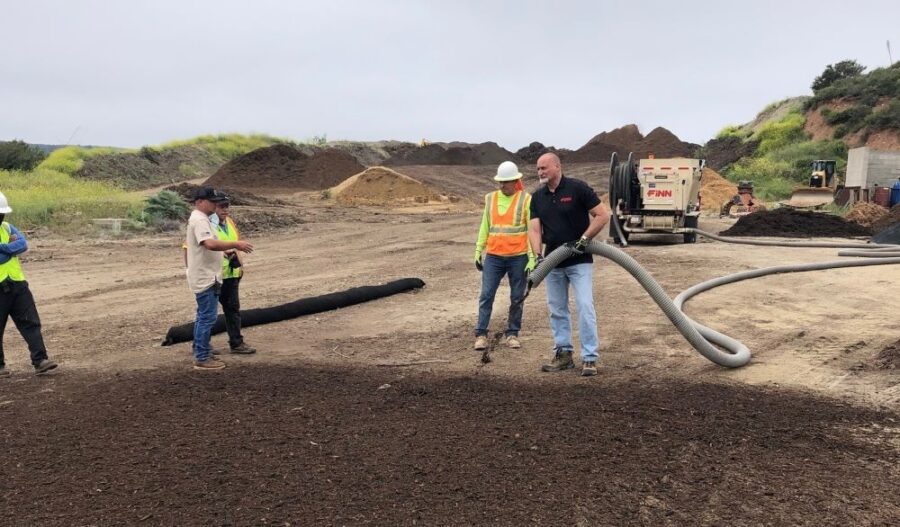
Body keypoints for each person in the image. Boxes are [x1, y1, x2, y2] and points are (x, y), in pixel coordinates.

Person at [528, 153, 610, 376]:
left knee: (584, 305)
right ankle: (563, 354)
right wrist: (538, 256)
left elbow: (602, 215)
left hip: (579, 261)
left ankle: (590, 358)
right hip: (553, 262)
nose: (540, 172)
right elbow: (535, 229)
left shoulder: (577, 188)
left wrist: (584, 240)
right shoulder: (537, 197)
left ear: (557, 166)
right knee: (557, 309)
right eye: (538, 169)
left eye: (544, 168)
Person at [186, 187, 253, 370]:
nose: (217, 205)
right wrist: (235, 244)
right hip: (207, 276)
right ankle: (202, 356)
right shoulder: (200, 220)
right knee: (207, 317)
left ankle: (203, 350)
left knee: (206, 315)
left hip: (216, 274)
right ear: (199, 202)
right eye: (213, 202)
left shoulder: (204, 220)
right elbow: (208, 243)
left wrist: (226, 252)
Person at [473, 161, 537, 351]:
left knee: (517, 297)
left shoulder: (526, 200)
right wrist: (478, 249)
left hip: (518, 257)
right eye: (500, 181)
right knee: (486, 295)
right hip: (494, 256)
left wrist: (532, 256)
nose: (502, 185)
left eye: (506, 181)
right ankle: (481, 334)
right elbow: (485, 225)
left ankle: (512, 334)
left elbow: (530, 230)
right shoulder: (490, 199)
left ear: (516, 180)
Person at [0, 191, 58, 376]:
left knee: (31, 323)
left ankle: (40, 360)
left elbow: (23, 244)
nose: (2, 216)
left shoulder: (7, 227)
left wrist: (5, 248)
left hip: (17, 283)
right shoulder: (8, 231)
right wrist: (10, 249)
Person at [213, 198, 256, 355]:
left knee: (233, 309)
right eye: (221, 207)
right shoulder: (205, 225)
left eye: (227, 207)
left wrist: (240, 266)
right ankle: (201, 344)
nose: (225, 210)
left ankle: (236, 343)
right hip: (214, 275)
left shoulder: (229, 222)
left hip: (231, 274)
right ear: (213, 207)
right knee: (208, 312)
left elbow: (236, 243)